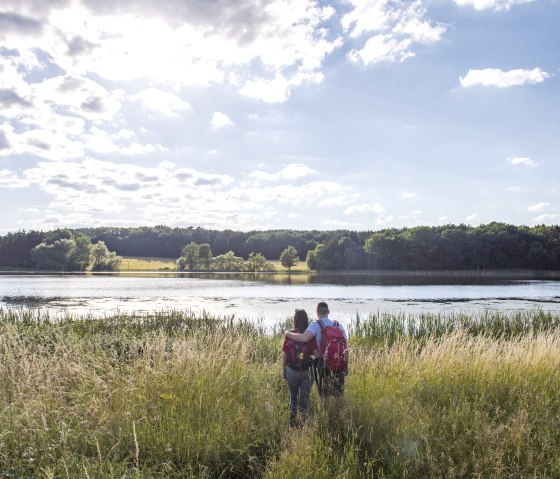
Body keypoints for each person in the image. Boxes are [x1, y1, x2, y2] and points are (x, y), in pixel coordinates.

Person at [284, 301, 348, 398]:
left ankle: (326, 411)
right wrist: (346, 367)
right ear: (328, 311)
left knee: (324, 395)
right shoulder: (338, 325)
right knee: (339, 394)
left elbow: (303, 338)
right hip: (339, 364)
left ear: (317, 312)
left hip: (323, 364)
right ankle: (339, 412)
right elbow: (346, 348)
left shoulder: (315, 325)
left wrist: (288, 334)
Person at [282, 309, 319, 427]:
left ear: (295, 320)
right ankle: (303, 426)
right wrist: (313, 373)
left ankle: (292, 425)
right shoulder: (309, 335)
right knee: (304, 400)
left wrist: (284, 371)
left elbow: (285, 355)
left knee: (293, 398)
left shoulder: (290, 334)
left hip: (291, 370)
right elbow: (315, 355)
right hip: (305, 372)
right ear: (306, 320)